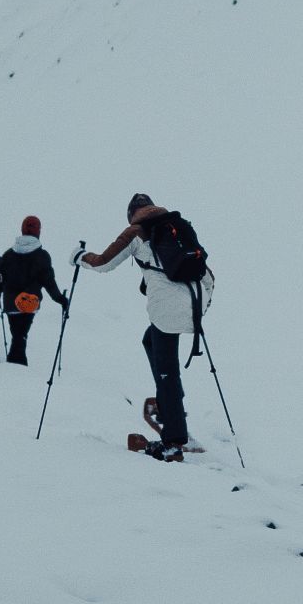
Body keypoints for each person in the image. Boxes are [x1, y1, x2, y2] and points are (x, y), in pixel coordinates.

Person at [82, 194, 210, 458]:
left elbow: (104, 263)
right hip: (196, 300)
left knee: (167, 371)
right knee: (150, 340)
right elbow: (208, 274)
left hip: (166, 310)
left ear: (132, 214)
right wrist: (199, 311)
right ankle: (169, 404)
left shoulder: (137, 232)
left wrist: (80, 258)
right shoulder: (177, 227)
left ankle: (174, 440)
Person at [0, 215, 60, 367]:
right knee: (21, 334)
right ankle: (17, 366)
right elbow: (49, 282)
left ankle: (15, 364)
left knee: (17, 334)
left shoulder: (8, 255)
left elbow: (0, 279)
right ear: (38, 231)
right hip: (30, 302)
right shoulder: (42, 256)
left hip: (11, 303)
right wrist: (61, 300)